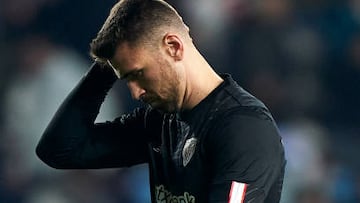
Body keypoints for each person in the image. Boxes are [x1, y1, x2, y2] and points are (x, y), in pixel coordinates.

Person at [36, 0, 286, 202]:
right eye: (125, 78)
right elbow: (60, 151)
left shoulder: (244, 128)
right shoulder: (158, 122)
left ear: (174, 46)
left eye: (138, 74)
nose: (135, 93)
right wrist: (109, 63)